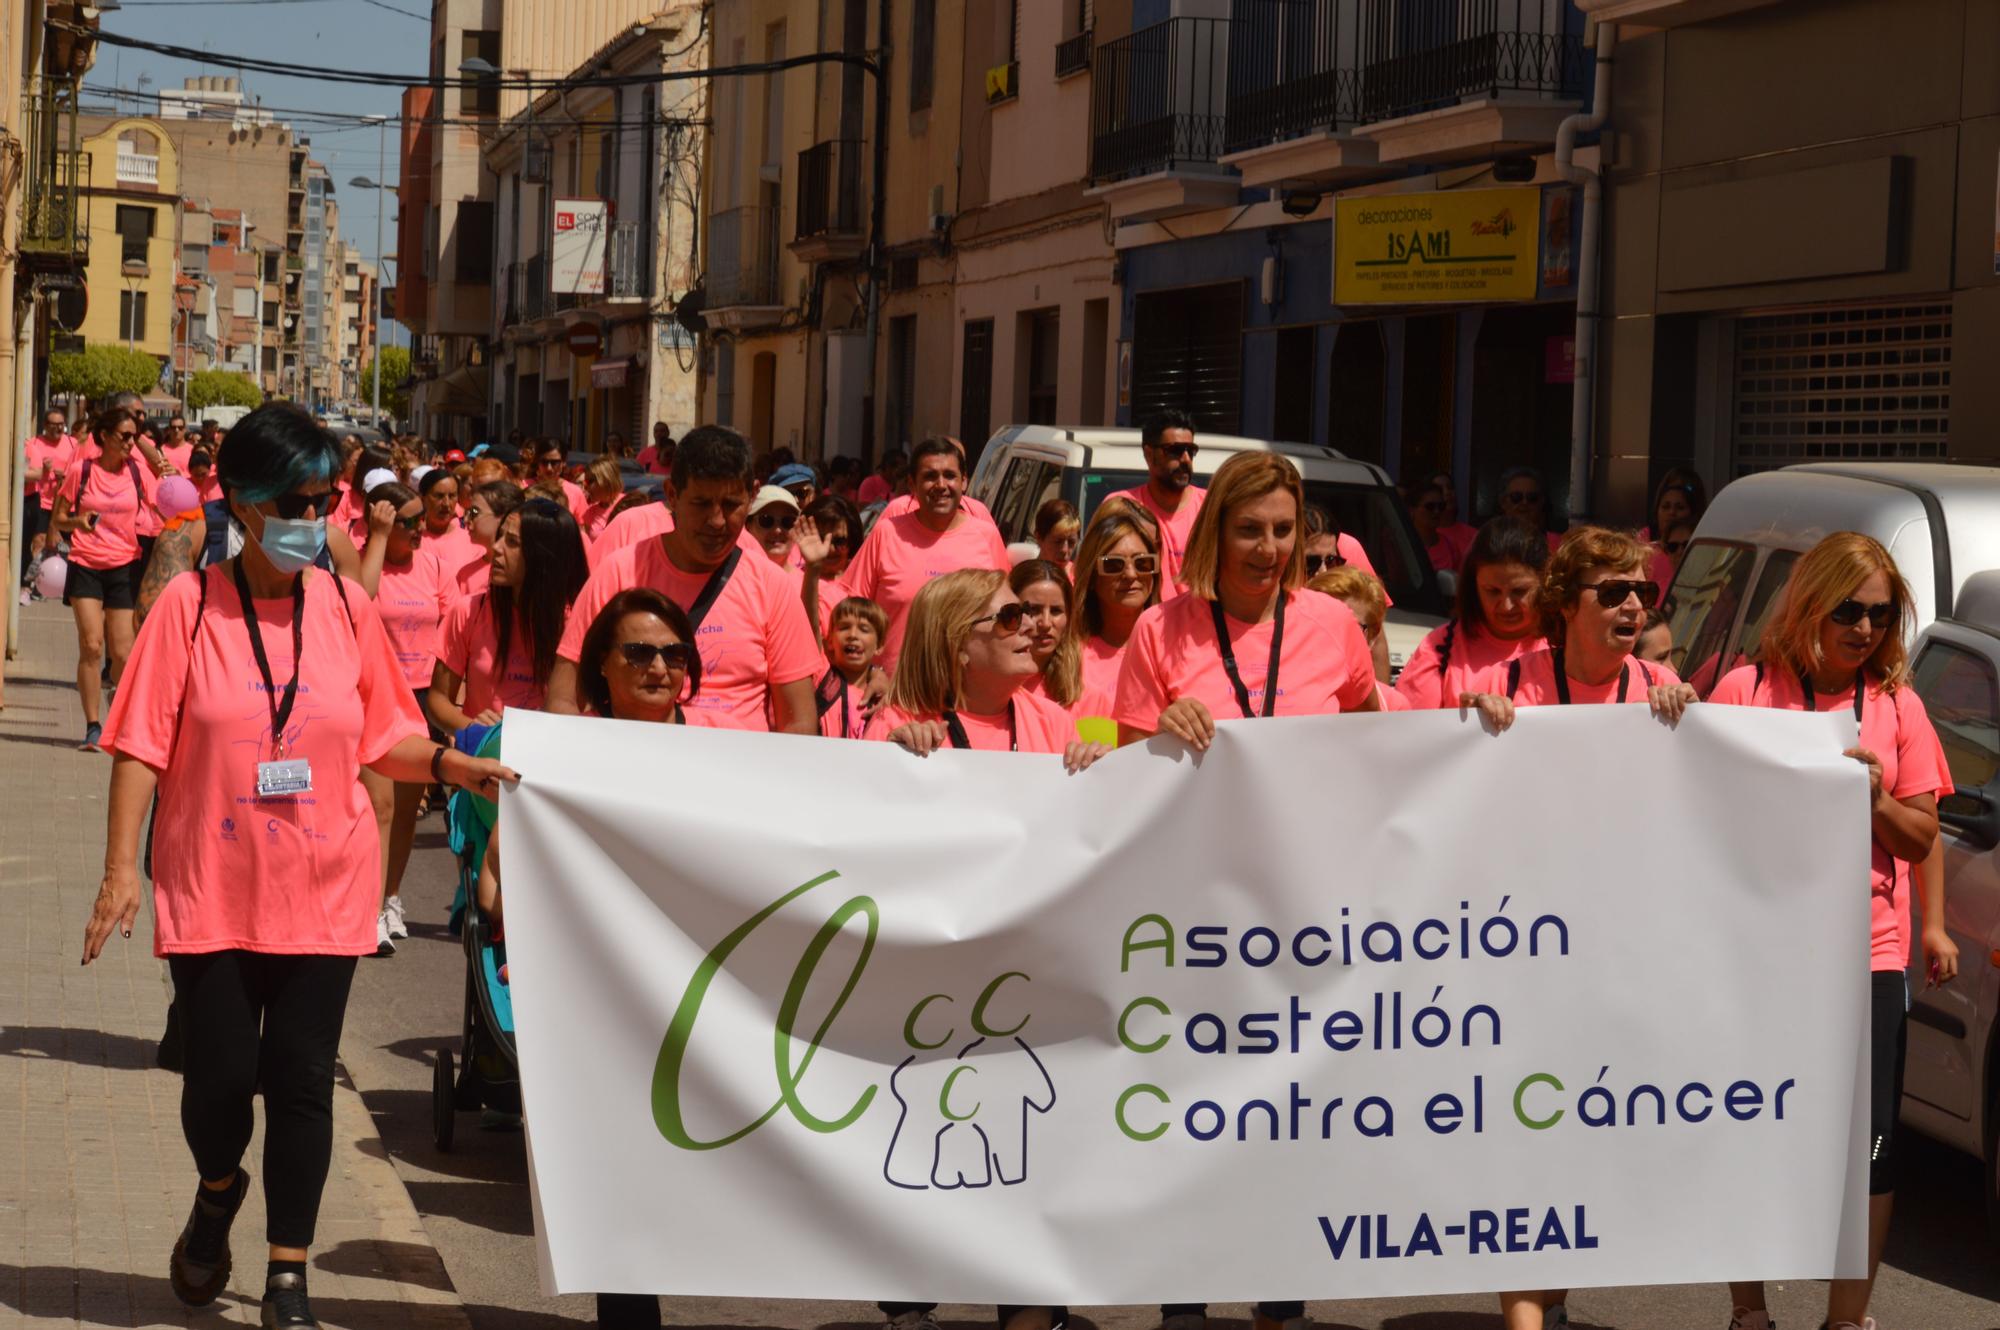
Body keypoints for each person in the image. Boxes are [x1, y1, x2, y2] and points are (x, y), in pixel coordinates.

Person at [80, 402, 515, 1330]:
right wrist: (122, 871)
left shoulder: (346, 607)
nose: (316, 518)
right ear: (241, 499)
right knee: (220, 1083)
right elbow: (140, 748)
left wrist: (449, 761)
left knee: (305, 1080)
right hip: (212, 886)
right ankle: (216, 1188)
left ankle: (287, 1276)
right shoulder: (185, 608)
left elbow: (389, 731)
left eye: (327, 499)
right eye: (298, 499)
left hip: (325, 886)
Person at [1452, 527, 1696, 1330]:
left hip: (1618, 967)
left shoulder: (1661, 686)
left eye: (1644, 593)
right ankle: (1527, 1316)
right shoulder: (1505, 681)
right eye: (1614, 592)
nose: (1634, 605)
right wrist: (1466, 724)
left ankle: (1548, 1301)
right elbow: (1431, 785)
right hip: (1519, 960)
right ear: (1567, 605)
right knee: (1525, 1142)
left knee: (1581, 1144)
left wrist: (1694, 726)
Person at [1705, 533, 1948, 1330]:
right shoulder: (1744, 689)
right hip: (1763, 954)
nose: (1864, 628)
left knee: (1870, 1147)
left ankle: (1848, 1320)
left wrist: (1872, 799)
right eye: (1849, 609)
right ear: (1811, 602)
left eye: (1880, 614)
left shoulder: (1897, 706)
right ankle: (1749, 1312)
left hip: (1867, 956)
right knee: (1753, 1129)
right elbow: (1695, 812)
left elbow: (1921, 839)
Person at [547, 425, 822, 733]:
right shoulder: (618, 573)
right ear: (672, 495)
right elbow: (564, 698)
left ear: (753, 496)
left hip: (735, 774)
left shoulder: (773, 589)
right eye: (702, 504)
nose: (717, 520)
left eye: (731, 505)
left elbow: (799, 721)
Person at [1116, 450, 1379, 754]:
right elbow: (1131, 769)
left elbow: (1370, 734)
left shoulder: (1335, 621)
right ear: (1217, 531)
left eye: (1283, 530)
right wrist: (1163, 735)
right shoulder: (1157, 629)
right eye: (1249, 529)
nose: (1268, 549)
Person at [867, 568, 1108, 776]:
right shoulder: (896, 727)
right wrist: (893, 761)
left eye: (1023, 611)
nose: (1031, 625)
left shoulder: (1054, 723)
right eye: (1010, 617)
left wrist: (1096, 772)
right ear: (958, 646)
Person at [357, 480, 450, 956]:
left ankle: (391, 896)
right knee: (381, 808)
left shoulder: (432, 563)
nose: (419, 530)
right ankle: (368, 911)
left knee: (409, 813)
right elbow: (361, 595)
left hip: (418, 697)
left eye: (419, 521)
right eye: (407, 522)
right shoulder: (361, 556)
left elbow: (448, 628)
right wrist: (376, 539)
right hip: (375, 695)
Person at [843, 436, 1011, 671]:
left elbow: (1006, 618)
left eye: (950, 476)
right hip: (893, 694)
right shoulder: (887, 533)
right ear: (912, 485)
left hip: (966, 696)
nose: (941, 485)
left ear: (964, 482)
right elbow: (850, 609)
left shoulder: (986, 536)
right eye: (930, 476)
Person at [51, 408, 162, 750]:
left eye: (135, 436)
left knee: (124, 654)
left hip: (124, 565)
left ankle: (119, 712)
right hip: (85, 563)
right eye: (125, 436)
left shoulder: (137, 473)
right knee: (92, 644)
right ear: (105, 437)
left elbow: (163, 503)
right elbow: (59, 517)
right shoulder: (80, 471)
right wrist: (78, 522)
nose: (132, 442)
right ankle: (93, 726)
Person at [430, 498, 588, 735]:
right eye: (500, 536)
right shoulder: (468, 611)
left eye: (512, 542)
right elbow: (437, 701)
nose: (496, 547)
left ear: (543, 556)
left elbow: (590, 709)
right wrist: (473, 729)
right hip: (481, 762)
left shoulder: (578, 624)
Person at [1394, 518, 1550, 710]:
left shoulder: (1565, 645)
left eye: (1519, 591)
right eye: (1492, 591)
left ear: (1544, 583)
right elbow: (1411, 728)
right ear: (1473, 586)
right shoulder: (1440, 647)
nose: (1506, 606)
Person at [1071, 497, 1162, 706]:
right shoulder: (1069, 655)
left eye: (1143, 562)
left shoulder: (1177, 645)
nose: (1130, 574)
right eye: (1113, 565)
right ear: (1091, 576)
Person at [1108, 409, 1204, 597]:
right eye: (1175, 450)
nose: (1185, 459)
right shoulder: (1121, 507)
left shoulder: (1211, 507)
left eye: (1191, 451)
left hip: (1200, 622)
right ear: (1149, 455)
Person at [1307, 566, 1408, 711]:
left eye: (1350, 628)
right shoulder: (1283, 694)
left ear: (1372, 635)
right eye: (1323, 625)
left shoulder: (1393, 705)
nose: (1333, 638)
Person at [1010, 558, 1098, 720]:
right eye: (1033, 610)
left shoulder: (1090, 697)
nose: (1045, 623)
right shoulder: (991, 688)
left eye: (1056, 611)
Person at [796, 493, 864, 639]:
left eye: (839, 541)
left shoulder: (864, 576)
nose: (829, 548)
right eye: (820, 539)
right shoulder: (793, 580)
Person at [818, 595, 886, 740]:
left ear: (879, 646)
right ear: (830, 640)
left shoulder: (884, 698)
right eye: (844, 628)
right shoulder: (823, 680)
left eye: (864, 629)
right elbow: (808, 625)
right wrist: (812, 577)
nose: (853, 635)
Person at [452, 479, 524, 606]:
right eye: (467, 512)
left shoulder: (521, 572)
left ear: (504, 516)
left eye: (475, 512)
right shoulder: (465, 574)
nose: (467, 519)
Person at [22, 404, 72, 573]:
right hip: (42, 501)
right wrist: (43, 470)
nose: (59, 428)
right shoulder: (35, 443)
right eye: (54, 424)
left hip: (66, 503)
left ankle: (61, 579)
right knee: (39, 541)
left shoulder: (71, 443)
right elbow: (27, 469)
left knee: (66, 543)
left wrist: (65, 475)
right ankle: (36, 581)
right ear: (45, 425)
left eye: (61, 424)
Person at [1496, 465, 1562, 553]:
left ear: (1541, 502)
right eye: (1516, 497)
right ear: (1503, 503)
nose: (1524, 503)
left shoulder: (1559, 546)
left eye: (1532, 498)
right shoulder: (1489, 544)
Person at [1429, 469, 1479, 568]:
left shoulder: (1474, 535)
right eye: (1440, 489)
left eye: (1450, 487)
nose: (1447, 492)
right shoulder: (1427, 536)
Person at [532, 437, 589, 521]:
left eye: (554, 463)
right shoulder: (524, 486)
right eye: (544, 462)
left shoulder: (575, 492)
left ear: (564, 462)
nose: (549, 468)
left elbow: (581, 529)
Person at [747, 484, 801, 566]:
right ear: (748, 526)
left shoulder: (808, 576)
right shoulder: (732, 574)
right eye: (766, 520)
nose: (777, 530)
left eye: (788, 521)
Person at [578, 457, 624, 541]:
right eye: (585, 482)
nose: (585, 487)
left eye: (589, 481)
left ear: (605, 480)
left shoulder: (627, 503)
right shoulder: (589, 513)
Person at [1033, 498, 1080, 573]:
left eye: (1071, 542)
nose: (1064, 550)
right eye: (1058, 541)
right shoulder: (1022, 580)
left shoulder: (1079, 578)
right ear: (1039, 538)